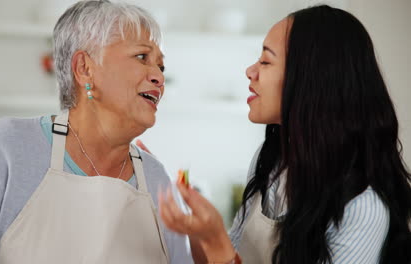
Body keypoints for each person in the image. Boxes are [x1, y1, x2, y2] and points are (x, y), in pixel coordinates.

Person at [157, 5, 411, 264]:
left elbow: (225, 256)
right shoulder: (269, 163)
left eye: (266, 61)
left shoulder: (361, 207)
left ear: (311, 79)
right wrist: (196, 232)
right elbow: (231, 256)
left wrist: (217, 243)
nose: (250, 71)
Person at [0, 1, 193, 263]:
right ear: (85, 68)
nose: (159, 77)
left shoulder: (157, 180)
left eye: (161, 66)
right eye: (142, 57)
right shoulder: (7, 149)